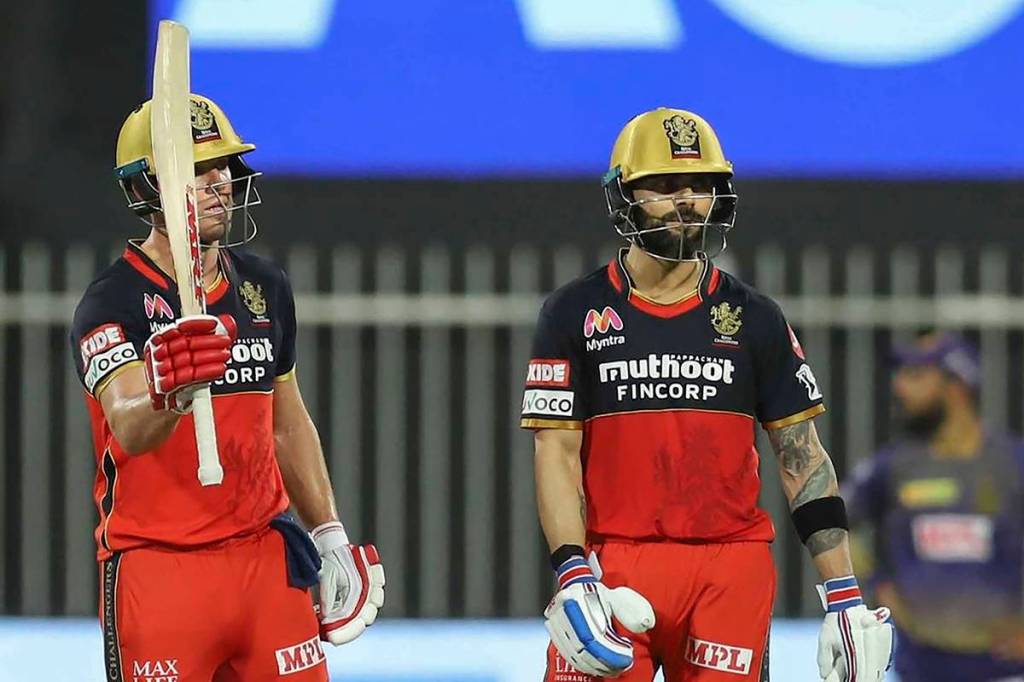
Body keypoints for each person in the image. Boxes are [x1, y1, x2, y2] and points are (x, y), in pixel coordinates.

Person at [520, 108, 893, 682]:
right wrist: (572, 572)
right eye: (665, 185)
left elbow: (802, 458)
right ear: (625, 194)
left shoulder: (756, 317)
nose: (686, 201)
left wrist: (843, 595)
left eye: (700, 185)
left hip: (730, 570)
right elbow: (556, 453)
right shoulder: (573, 313)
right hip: (614, 564)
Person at [70, 94, 384, 682]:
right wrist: (169, 390)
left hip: (264, 559)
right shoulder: (112, 302)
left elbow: (287, 422)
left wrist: (329, 534)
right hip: (160, 569)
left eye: (225, 166)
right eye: (197, 169)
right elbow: (128, 425)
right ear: (145, 187)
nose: (219, 182)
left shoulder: (264, 285)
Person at [846, 333, 1024, 682]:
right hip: (921, 666)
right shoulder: (895, 466)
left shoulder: (1012, 463)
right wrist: (879, 585)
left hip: (1006, 668)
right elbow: (834, 520)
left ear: (956, 386)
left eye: (915, 375)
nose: (899, 387)